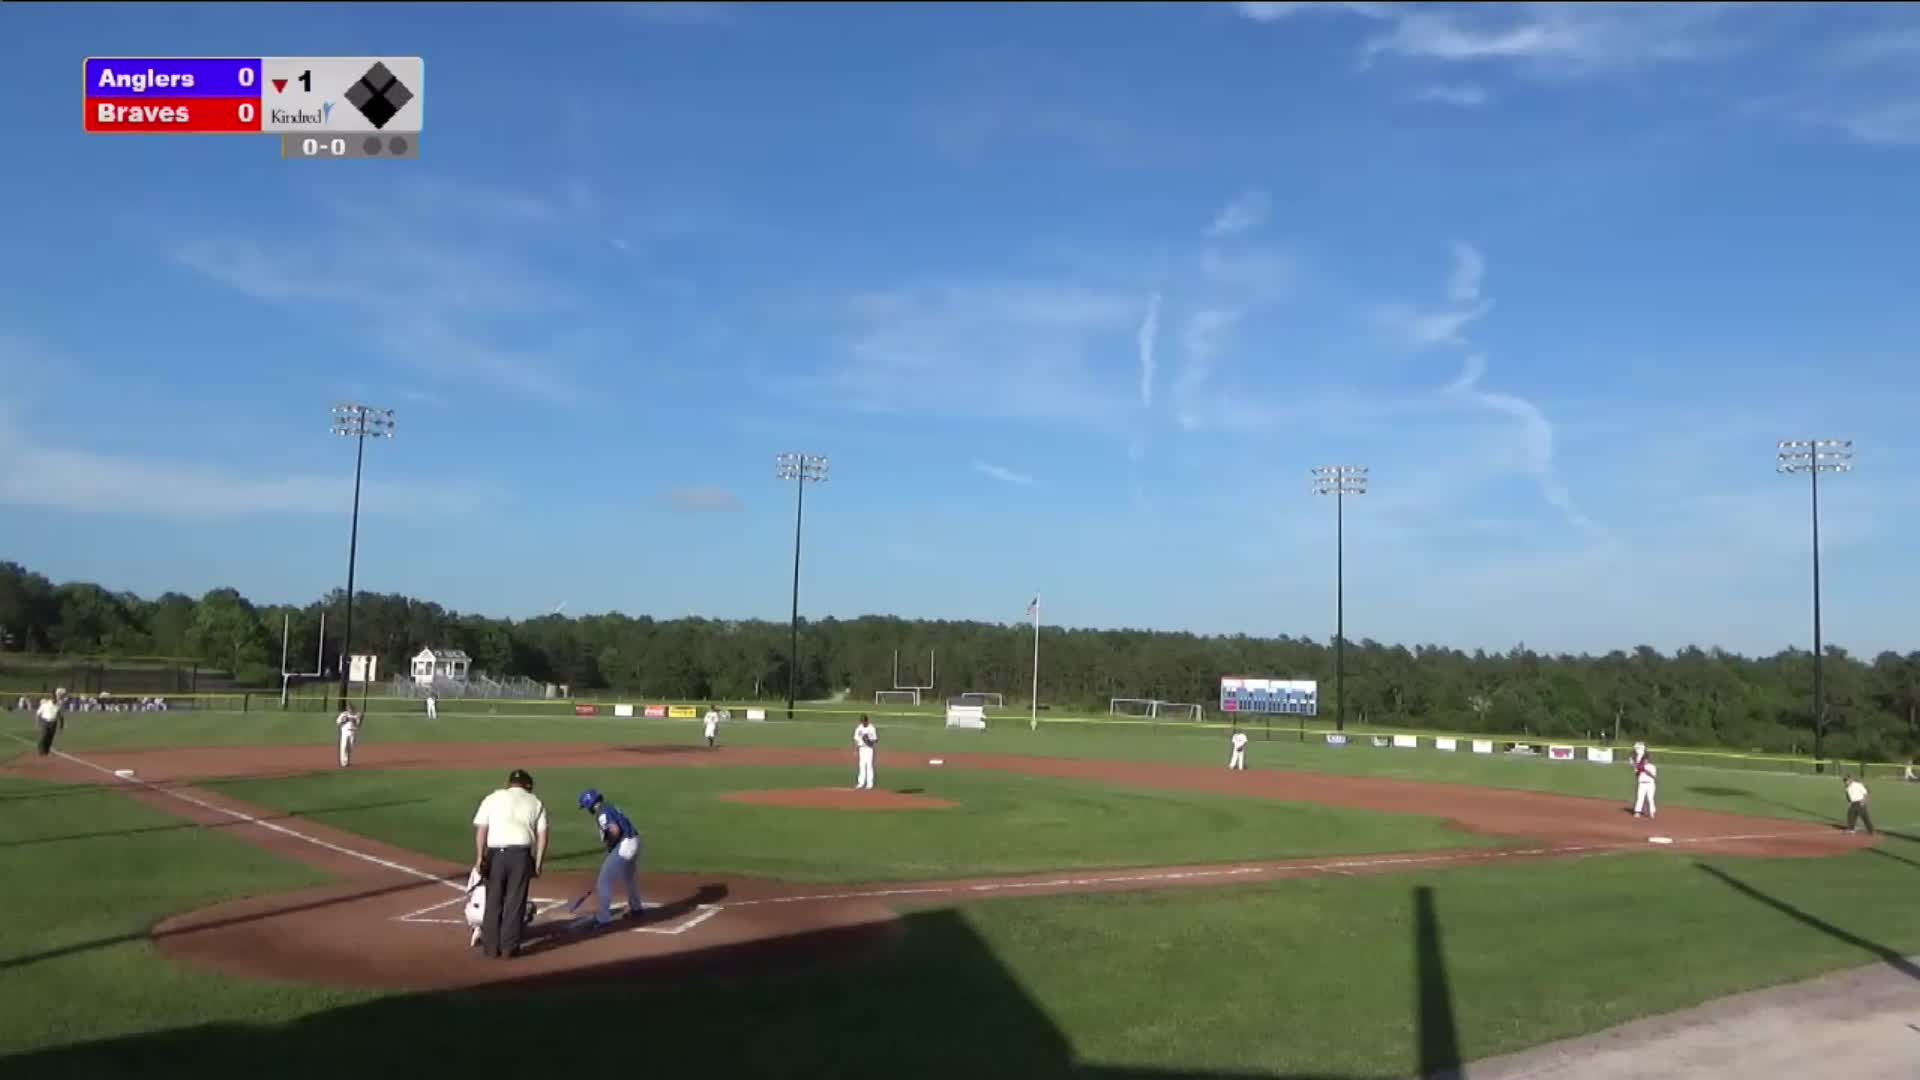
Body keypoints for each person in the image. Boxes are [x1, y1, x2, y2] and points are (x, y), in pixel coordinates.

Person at [471, 769, 549, 959]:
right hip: (520, 856)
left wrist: (480, 857)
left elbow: (482, 829)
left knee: (494, 900)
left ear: (509, 784)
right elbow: (542, 835)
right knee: (515, 902)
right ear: (528, 785)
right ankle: (509, 948)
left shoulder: (492, 798)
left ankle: (491, 948)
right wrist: (537, 863)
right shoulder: (535, 802)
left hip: (496, 854)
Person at [575, 788, 644, 927]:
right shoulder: (609, 806)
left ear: (590, 804)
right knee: (629, 877)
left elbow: (614, 830)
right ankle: (636, 908)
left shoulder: (602, 812)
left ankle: (603, 918)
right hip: (635, 841)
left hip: (625, 845)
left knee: (604, 880)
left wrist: (612, 846)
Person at [35, 689, 68, 756]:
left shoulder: (58, 705)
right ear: (51, 699)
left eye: (56, 699)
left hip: (53, 723)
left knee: (50, 737)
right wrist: (37, 722)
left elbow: (60, 716)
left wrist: (61, 725)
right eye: (54, 699)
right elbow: (38, 713)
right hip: (45, 722)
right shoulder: (45, 704)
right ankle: (40, 751)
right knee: (43, 736)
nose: (55, 700)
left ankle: (46, 751)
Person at [854, 714, 878, 790]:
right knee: (861, 765)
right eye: (862, 721)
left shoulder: (871, 728)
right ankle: (861, 783)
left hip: (869, 749)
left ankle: (869, 784)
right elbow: (856, 739)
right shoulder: (859, 728)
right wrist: (855, 749)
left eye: (864, 721)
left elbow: (876, 739)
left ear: (867, 720)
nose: (863, 723)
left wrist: (869, 741)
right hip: (861, 749)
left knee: (869, 765)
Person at [1632, 750, 1658, 819]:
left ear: (1648, 760)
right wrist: (1637, 769)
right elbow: (1637, 775)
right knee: (1640, 798)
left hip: (1650, 785)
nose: (1645, 761)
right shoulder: (1639, 766)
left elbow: (1653, 776)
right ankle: (1637, 812)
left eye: (1646, 760)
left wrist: (1645, 770)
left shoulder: (1652, 766)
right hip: (1641, 784)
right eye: (1644, 760)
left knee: (1650, 799)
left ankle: (1652, 813)